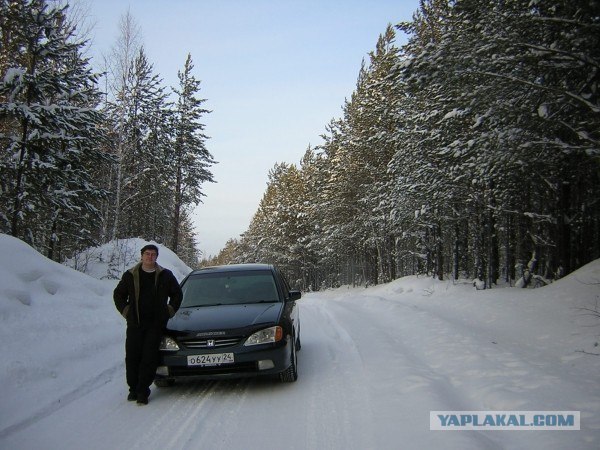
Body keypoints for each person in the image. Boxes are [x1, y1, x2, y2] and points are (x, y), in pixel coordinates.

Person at [113, 244, 183, 405]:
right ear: (142, 256)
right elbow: (118, 294)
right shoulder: (131, 275)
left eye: (153, 254)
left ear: (156, 257)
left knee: (149, 357)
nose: (150, 257)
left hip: (155, 325)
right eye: (147, 254)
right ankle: (133, 389)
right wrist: (126, 311)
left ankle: (143, 390)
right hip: (135, 324)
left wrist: (169, 311)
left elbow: (177, 294)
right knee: (132, 357)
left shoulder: (165, 275)